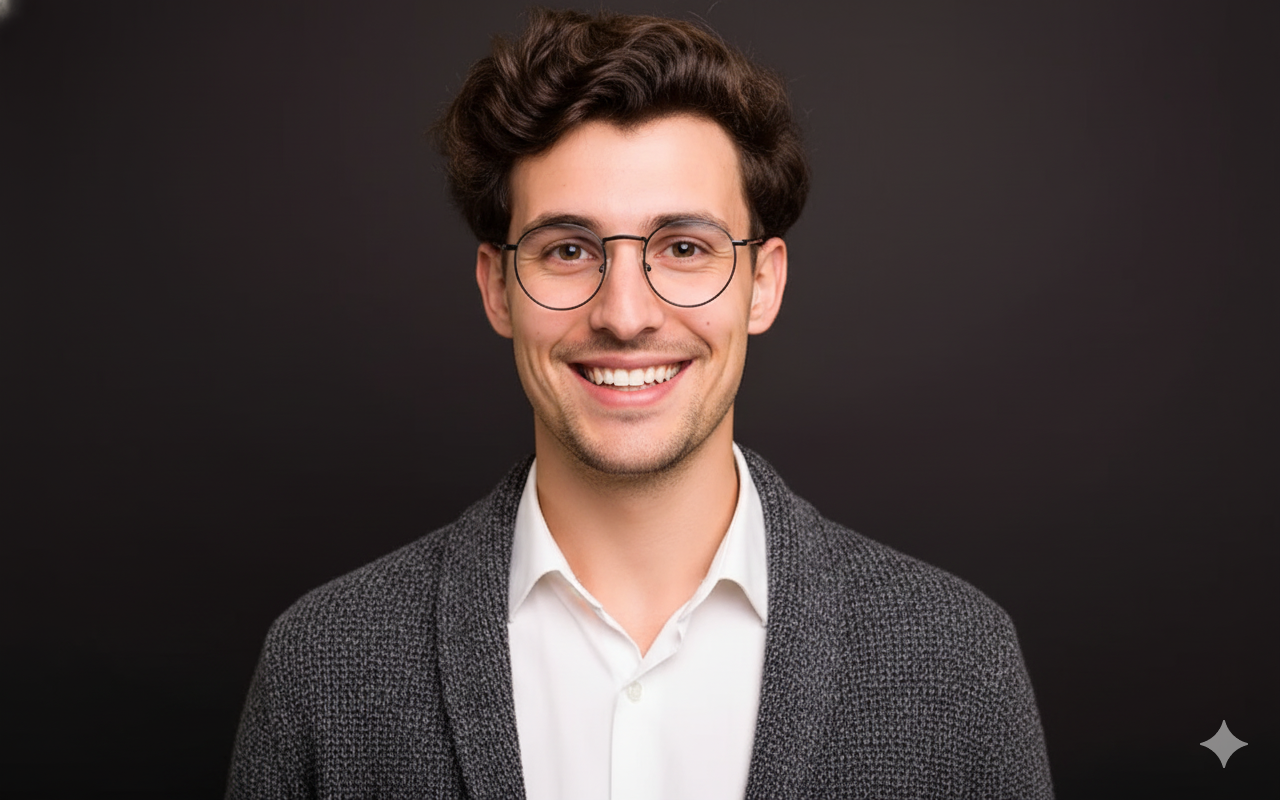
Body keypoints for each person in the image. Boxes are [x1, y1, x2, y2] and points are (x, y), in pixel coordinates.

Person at [226, 8, 1053, 799]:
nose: (625, 314)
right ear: (498, 287)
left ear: (764, 284)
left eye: (684, 247)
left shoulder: (957, 662)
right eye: (568, 250)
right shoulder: (322, 666)